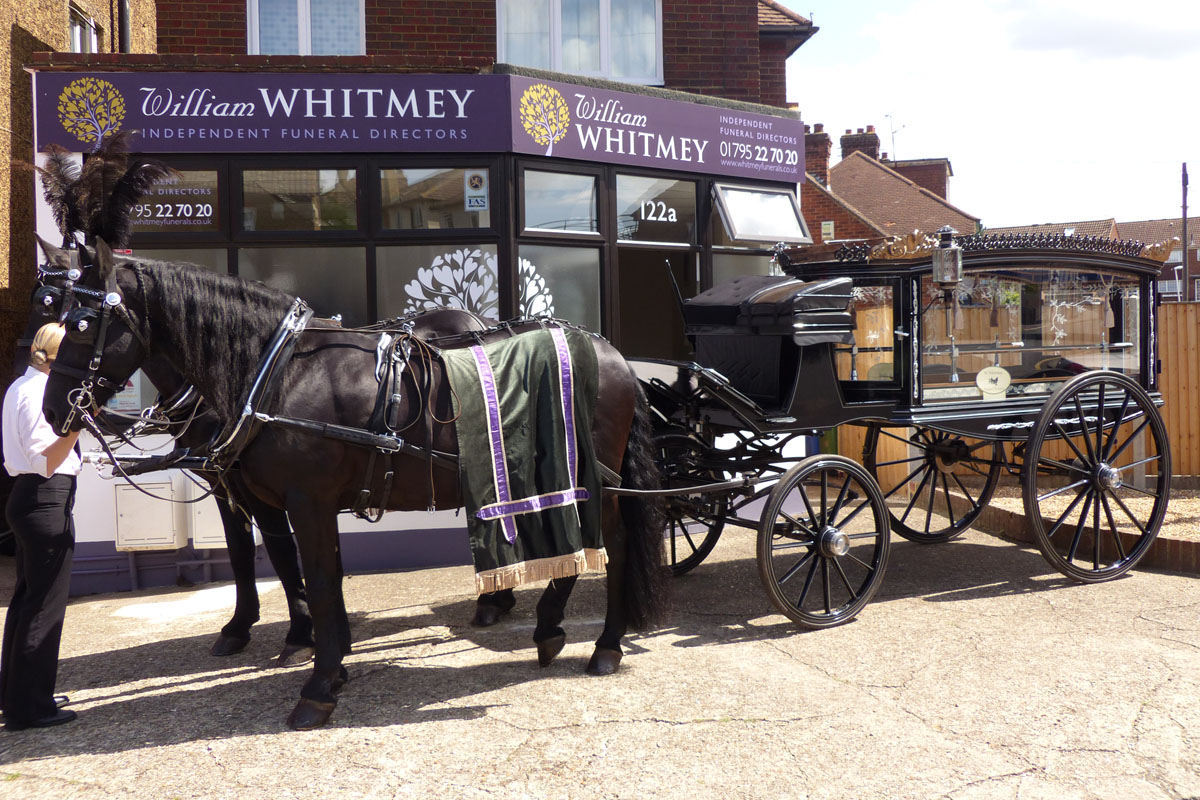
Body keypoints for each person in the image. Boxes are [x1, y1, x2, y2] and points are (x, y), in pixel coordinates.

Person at [0, 323, 81, 731]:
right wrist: (77, 427)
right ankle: (31, 707)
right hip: (46, 496)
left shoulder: (21, 386)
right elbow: (45, 459)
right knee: (44, 607)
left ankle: (16, 694)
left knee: (27, 601)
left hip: (34, 499)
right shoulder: (36, 393)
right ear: (54, 356)